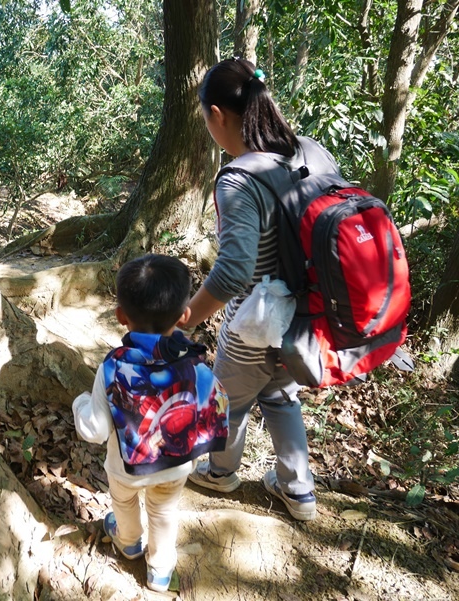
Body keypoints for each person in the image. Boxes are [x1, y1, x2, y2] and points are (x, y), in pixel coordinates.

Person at [179, 57, 342, 521]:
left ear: (216, 115)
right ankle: (299, 491)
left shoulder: (238, 179)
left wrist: (189, 315)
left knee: (229, 398)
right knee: (280, 395)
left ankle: (220, 472)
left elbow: (233, 272)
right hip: (306, 319)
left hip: (254, 321)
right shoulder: (311, 151)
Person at [73, 253, 228, 592]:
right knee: (163, 511)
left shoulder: (113, 368)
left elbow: (94, 430)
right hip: (176, 465)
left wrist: (81, 403)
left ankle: (128, 543)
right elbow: (215, 406)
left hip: (125, 468)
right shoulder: (196, 364)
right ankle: (160, 570)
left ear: (120, 317)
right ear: (185, 315)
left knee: (124, 504)